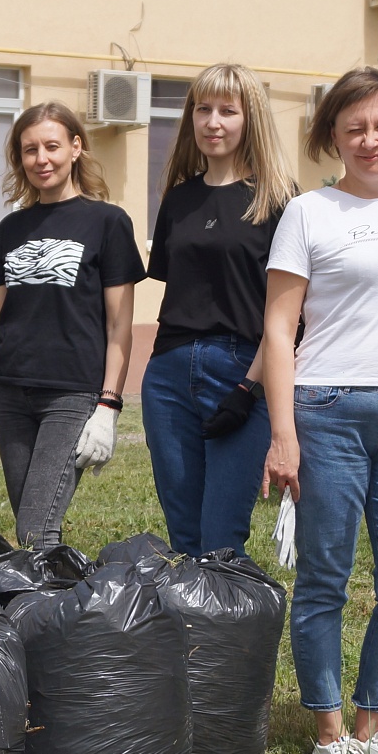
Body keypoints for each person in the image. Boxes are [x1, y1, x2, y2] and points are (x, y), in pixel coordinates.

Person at [261, 68, 378, 754]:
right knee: (325, 579)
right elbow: (279, 328)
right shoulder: (309, 213)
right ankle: (330, 734)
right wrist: (284, 435)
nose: (370, 140)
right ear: (332, 136)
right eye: (354, 128)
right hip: (329, 408)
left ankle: (375, 725)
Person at [0, 102, 144, 547]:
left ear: (76, 148)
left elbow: (119, 325)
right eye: (29, 150)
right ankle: (49, 612)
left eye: (51, 146)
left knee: (35, 529)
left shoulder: (108, 222)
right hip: (10, 394)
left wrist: (108, 407)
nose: (40, 159)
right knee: (35, 528)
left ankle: (44, 614)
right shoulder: (11, 228)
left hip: (71, 394)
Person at [141, 62, 297, 558]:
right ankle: (191, 637)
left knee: (220, 539)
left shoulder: (279, 200)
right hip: (167, 376)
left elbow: (290, 318)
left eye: (228, 111)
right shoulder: (179, 198)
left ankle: (228, 635)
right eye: (203, 109)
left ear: (251, 120)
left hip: (241, 373)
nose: (213, 122)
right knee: (184, 539)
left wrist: (248, 390)